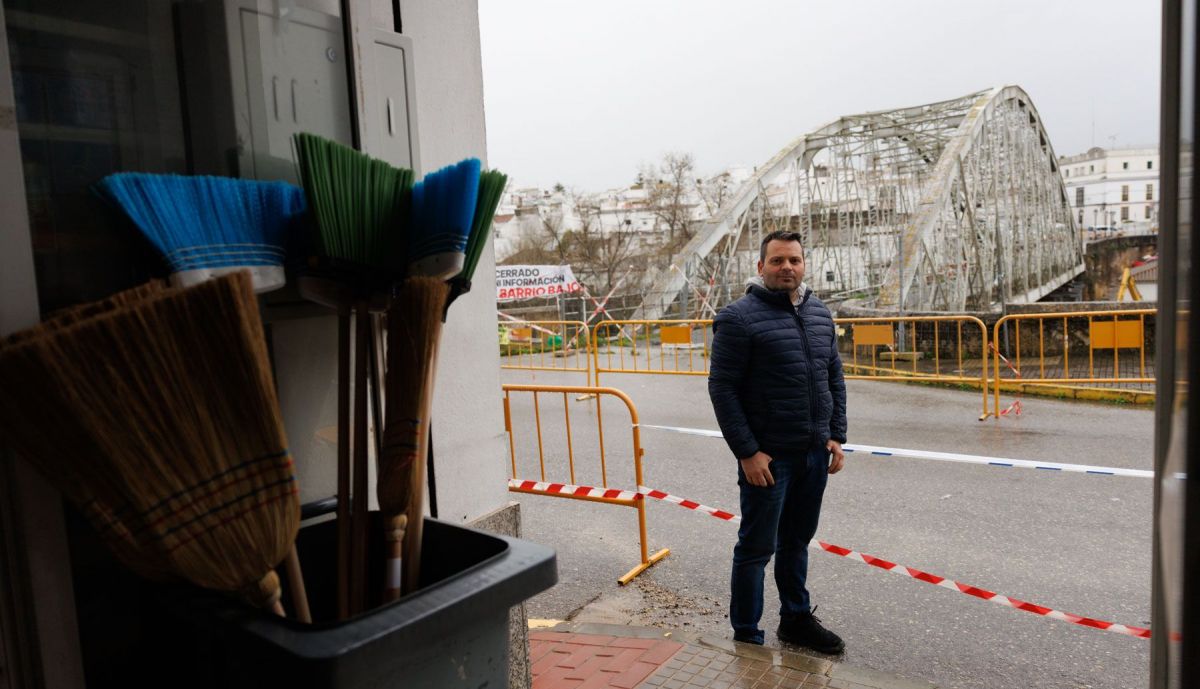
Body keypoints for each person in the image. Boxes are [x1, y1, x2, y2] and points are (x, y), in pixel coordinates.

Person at [707, 229, 848, 652]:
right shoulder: (738, 318)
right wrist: (748, 452)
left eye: (794, 260)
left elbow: (833, 376)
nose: (787, 267)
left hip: (812, 454)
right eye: (777, 261)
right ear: (761, 267)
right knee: (755, 548)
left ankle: (796, 619)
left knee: (796, 542)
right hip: (768, 460)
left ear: (804, 264)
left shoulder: (820, 313)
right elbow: (722, 388)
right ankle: (747, 635)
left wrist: (836, 435)